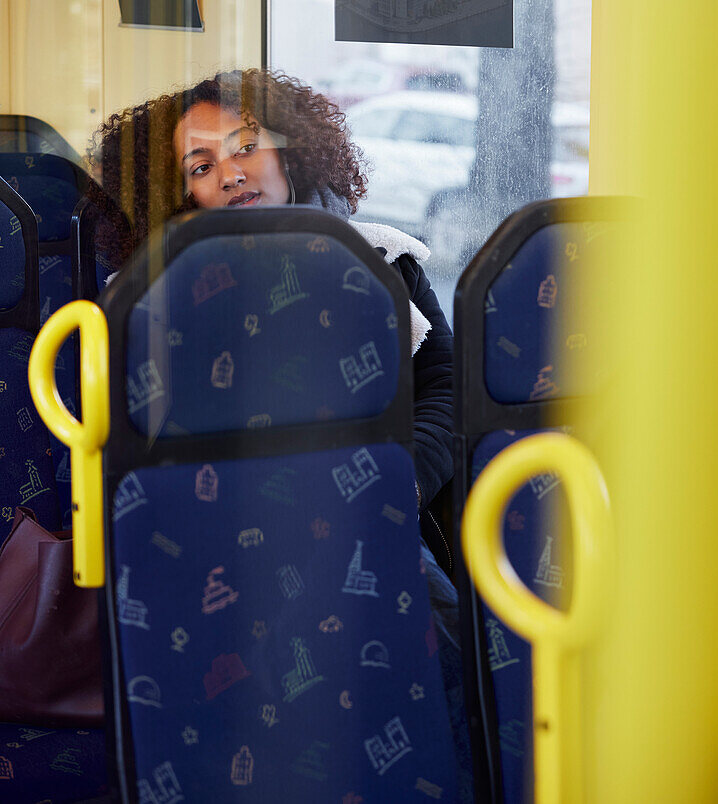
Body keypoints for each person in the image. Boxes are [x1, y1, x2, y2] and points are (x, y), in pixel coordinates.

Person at [90, 68, 472, 796]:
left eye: (245, 147)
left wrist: (395, 487)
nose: (231, 175)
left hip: (372, 527)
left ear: (290, 153)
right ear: (181, 195)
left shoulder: (378, 257)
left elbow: (445, 387)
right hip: (215, 546)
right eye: (202, 166)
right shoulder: (149, 298)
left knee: (445, 649)